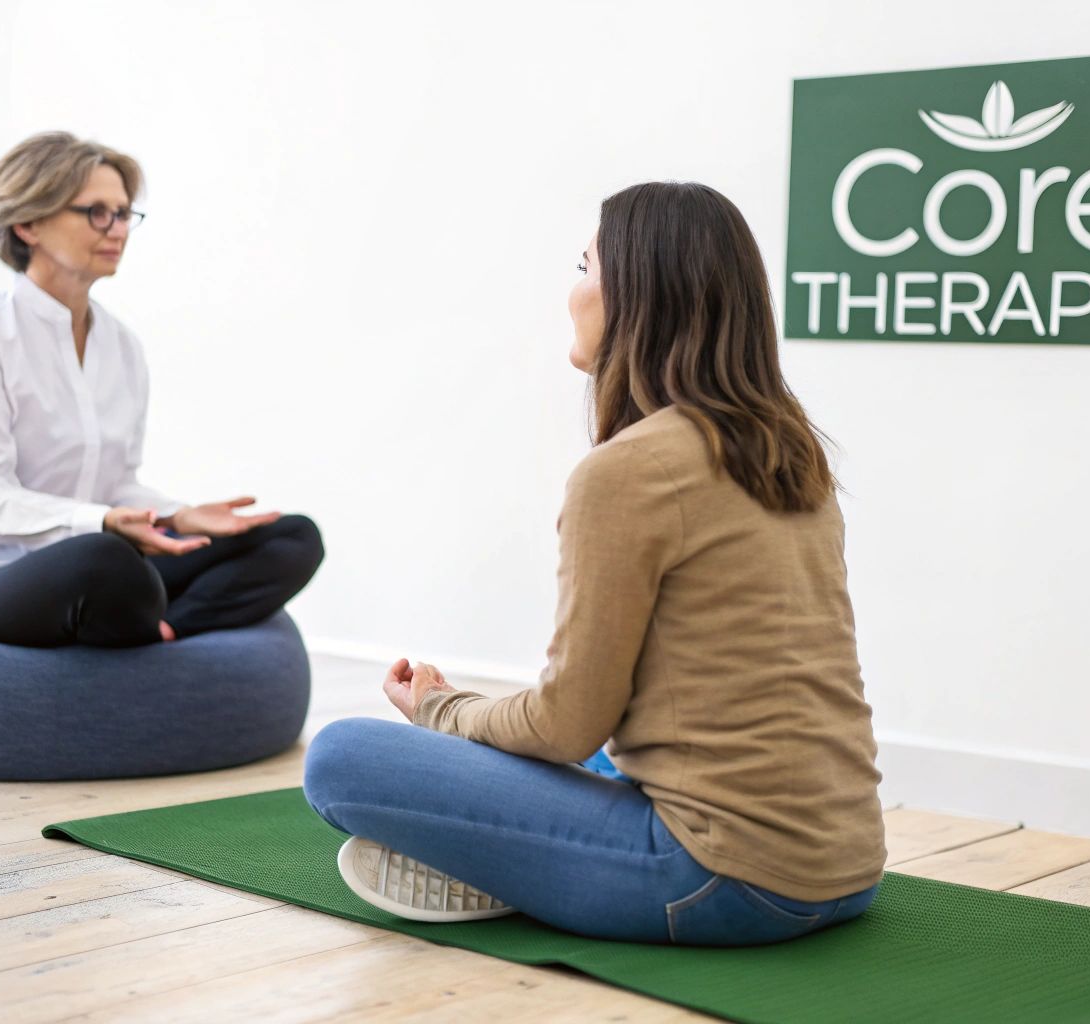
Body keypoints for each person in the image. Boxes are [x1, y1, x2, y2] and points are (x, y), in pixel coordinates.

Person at [303, 181, 884, 946]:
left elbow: (567, 723)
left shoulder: (629, 471)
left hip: (720, 880)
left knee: (340, 756)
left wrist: (446, 713)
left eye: (584, 267)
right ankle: (528, 861)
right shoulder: (786, 449)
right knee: (609, 762)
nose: (572, 293)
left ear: (642, 293)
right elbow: (610, 724)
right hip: (847, 866)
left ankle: (514, 869)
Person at [0, 132, 322, 647]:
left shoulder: (122, 345)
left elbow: (115, 485)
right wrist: (104, 523)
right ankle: (137, 614)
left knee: (292, 537)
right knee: (106, 561)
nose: (117, 229)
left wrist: (176, 515)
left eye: (123, 213)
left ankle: (164, 628)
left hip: (98, 553)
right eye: (96, 212)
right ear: (27, 224)